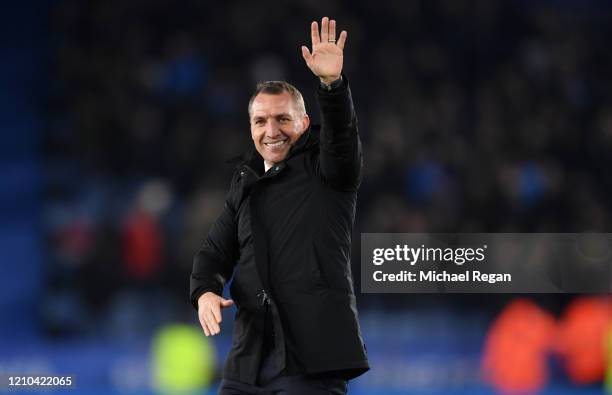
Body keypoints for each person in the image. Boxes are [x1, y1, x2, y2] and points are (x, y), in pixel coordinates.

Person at [190, 17, 369, 394]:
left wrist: (332, 85)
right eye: (261, 121)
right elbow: (214, 252)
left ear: (304, 123)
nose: (271, 131)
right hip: (247, 362)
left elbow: (341, 140)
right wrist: (205, 290)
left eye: (282, 119)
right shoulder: (244, 183)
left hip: (310, 363)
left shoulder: (328, 171)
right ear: (251, 126)